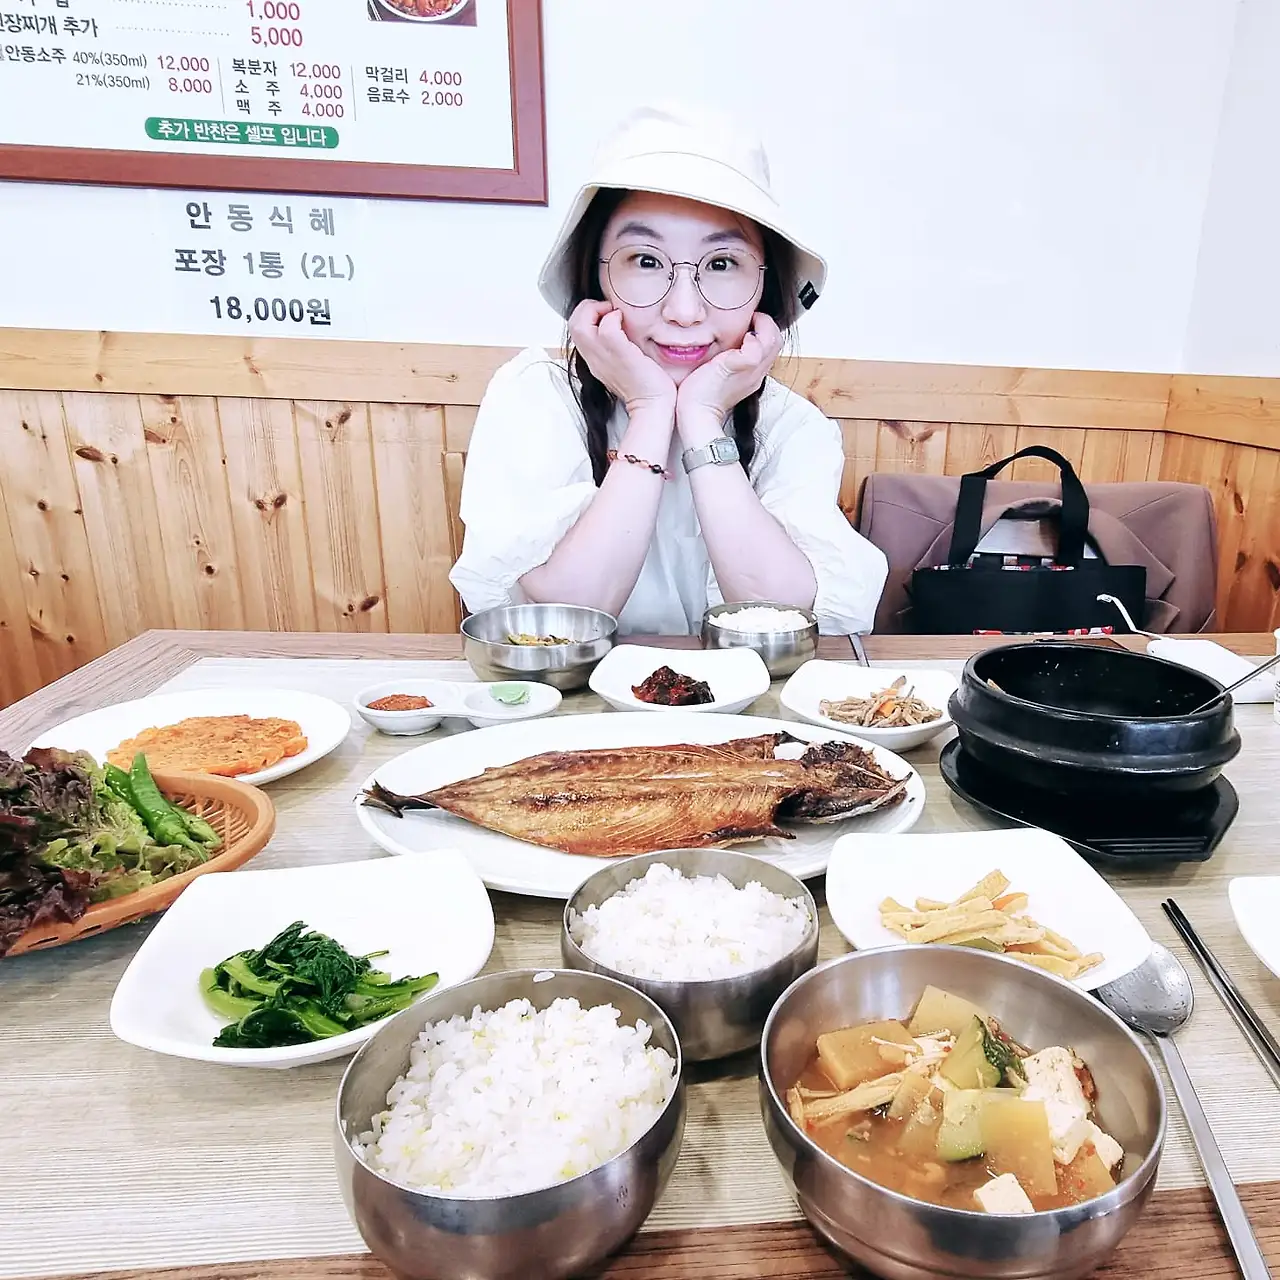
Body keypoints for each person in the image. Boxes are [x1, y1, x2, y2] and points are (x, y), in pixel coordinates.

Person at [449, 103, 889, 635]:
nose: (684, 311)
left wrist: (702, 418)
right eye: (646, 260)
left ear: (764, 287)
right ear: (596, 277)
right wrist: (651, 410)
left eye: (722, 264)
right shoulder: (538, 398)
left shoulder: (790, 426)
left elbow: (788, 621)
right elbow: (562, 624)